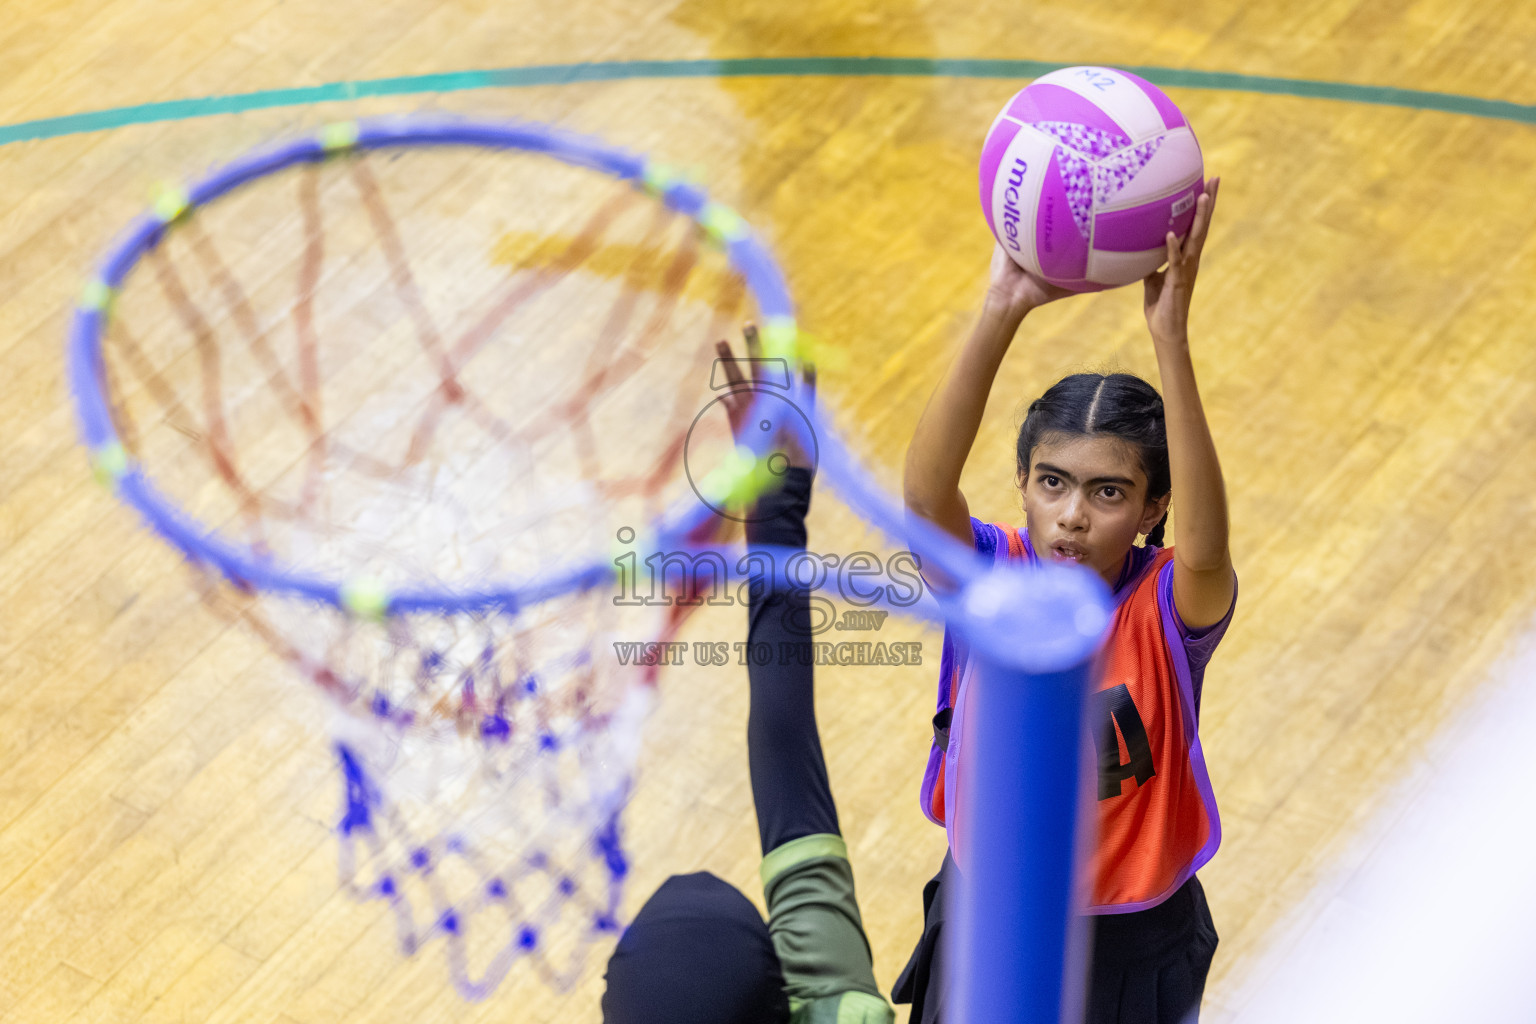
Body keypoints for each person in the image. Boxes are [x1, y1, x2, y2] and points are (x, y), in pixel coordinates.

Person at [896, 181, 1234, 1024]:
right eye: (1052, 482)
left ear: (1153, 507)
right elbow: (925, 495)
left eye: (1108, 491)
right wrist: (1002, 307)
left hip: (1129, 939)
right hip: (989, 912)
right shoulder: (991, 577)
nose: (1073, 514)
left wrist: (1170, 339)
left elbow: (1207, 545)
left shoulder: (1164, 605)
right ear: (1024, 485)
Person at [601, 328, 894, 1024]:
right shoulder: (834, 1005)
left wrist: (775, 504)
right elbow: (784, 736)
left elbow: (782, 735)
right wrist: (778, 504)